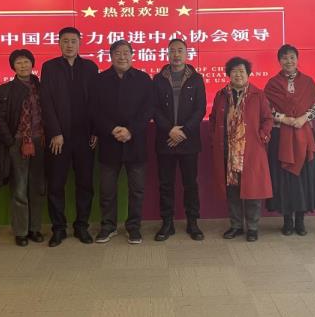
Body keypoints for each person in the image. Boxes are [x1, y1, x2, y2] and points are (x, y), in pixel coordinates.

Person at [40, 27, 99, 247]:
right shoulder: (50, 67)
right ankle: (58, 228)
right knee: (56, 185)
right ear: (59, 43)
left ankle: (82, 226)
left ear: (80, 43)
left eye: (73, 41)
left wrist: (95, 130)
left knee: (85, 184)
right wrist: (55, 132)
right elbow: (46, 101)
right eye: (65, 41)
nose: (69, 45)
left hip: (85, 137)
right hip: (59, 138)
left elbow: (97, 101)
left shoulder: (90, 67)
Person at [91, 40, 153, 244]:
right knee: (107, 190)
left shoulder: (143, 79)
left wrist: (130, 130)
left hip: (135, 142)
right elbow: (94, 110)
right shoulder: (100, 80)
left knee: (137, 190)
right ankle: (108, 226)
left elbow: (148, 109)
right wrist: (112, 129)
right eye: (117, 53)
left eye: (126, 52)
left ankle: (134, 227)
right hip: (109, 142)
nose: (122, 56)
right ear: (111, 56)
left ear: (132, 55)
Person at [209, 57, 273, 242]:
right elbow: (213, 119)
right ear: (229, 74)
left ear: (248, 74)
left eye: (242, 71)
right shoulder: (221, 95)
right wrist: (214, 138)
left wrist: (262, 136)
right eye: (234, 71)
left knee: (253, 191)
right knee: (232, 190)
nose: (238, 74)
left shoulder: (258, 95)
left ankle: (252, 227)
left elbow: (268, 119)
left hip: (251, 150)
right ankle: (236, 225)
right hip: (227, 150)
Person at [264, 44, 315, 236]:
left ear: (297, 60)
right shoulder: (272, 83)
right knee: (284, 178)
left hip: (303, 135)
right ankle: (287, 221)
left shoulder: (307, 81)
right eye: (284, 58)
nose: (288, 61)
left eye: (292, 57)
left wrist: (303, 118)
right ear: (279, 61)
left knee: (303, 178)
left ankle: (300, 220)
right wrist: (285, 119)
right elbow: (266, 108)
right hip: (281, 136)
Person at [152, 38, 207, 241]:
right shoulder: (158, 79)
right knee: (166, 184)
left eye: (180, 50)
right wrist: (170, 130)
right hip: (165, 140)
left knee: (190, 184)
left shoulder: (196, 79)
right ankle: (167, 223)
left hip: (188, 140)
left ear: (186, 53)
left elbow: (200, 109)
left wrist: (182, 132)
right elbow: (154, 108)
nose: (176, 54)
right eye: (173, 51)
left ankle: (193, 222)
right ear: (167, 54)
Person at [0, 49, 46, 247]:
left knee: (38, 187)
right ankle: (21, 231)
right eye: (19, 63)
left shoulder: (41, 87)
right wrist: (9, 142)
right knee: (19, 189)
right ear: (13, 67)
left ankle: (35, 228)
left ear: (32, 64)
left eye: (26, 62)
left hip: (40, 142)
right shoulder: (5, 90)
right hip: (16, 143)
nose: (23, 66)